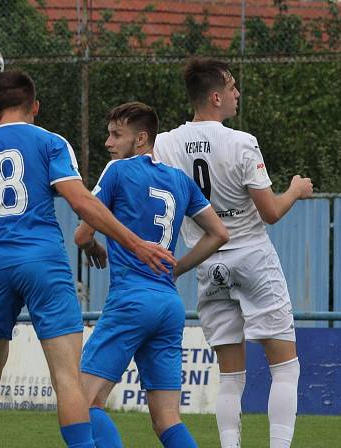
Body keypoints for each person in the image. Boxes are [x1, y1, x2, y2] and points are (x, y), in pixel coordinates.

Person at [0, 71, 177, 448]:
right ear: (35, 106)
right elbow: (80, 202)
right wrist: (135, 243)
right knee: (67, 378)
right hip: (44, 260)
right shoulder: (51, 143)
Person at [153, 58, 314, 448]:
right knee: (286, 369)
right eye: (232, 86)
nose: (237, 93)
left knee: (230, 377)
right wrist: (295, 189)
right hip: (252, 256)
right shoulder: (242, 142)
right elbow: (271, 213)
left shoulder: (165, 143)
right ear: (216, 96)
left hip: (207, 261)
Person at [74, 102, 229, 448]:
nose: (108, 143)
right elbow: (219, 233)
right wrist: (177, 267)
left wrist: (93, 247)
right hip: (168, 305)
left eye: (117, 135)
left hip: (131, 300)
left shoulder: (117, 171)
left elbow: (82, 234)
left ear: (141, 138)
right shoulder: (180, 181)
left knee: (81, 403)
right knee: (166, 420)